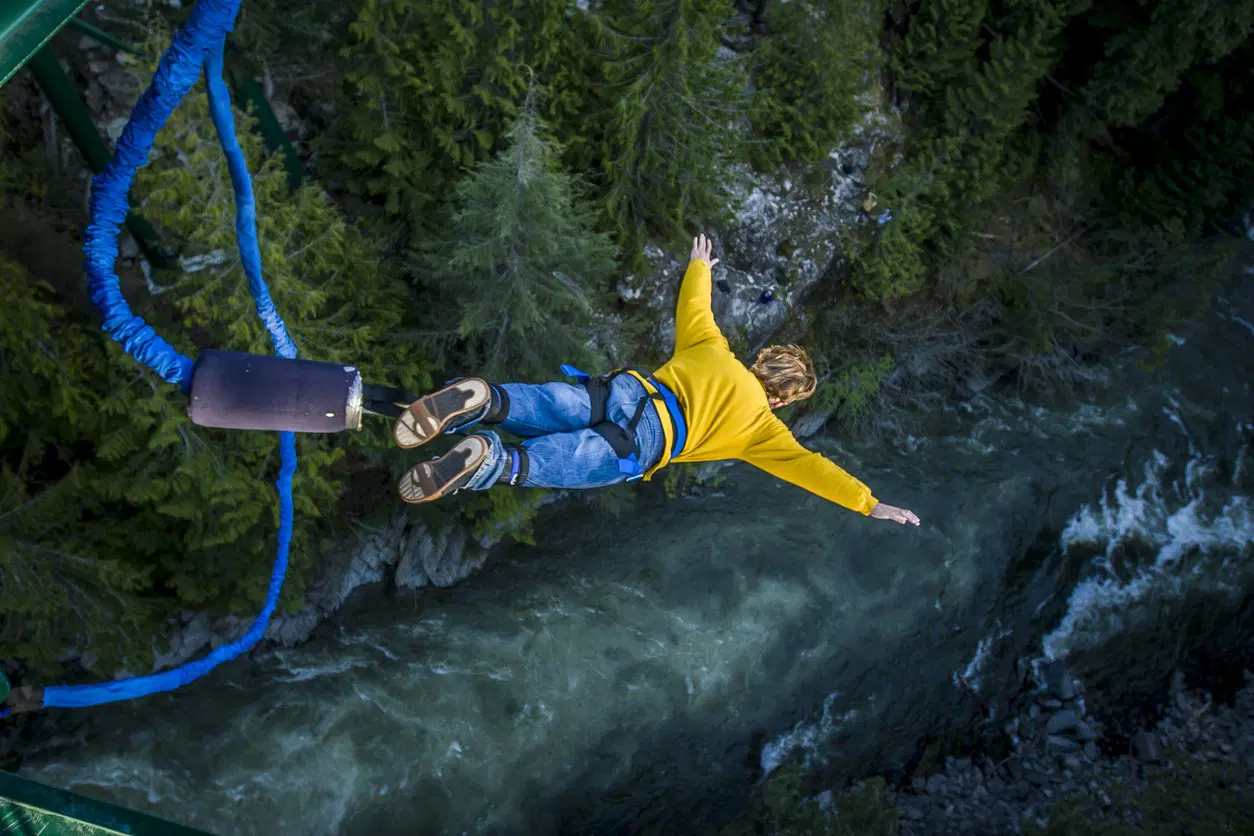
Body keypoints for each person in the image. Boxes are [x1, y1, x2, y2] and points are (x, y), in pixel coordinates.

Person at [392, 234, 921, 527]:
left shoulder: (712, 348)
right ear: (781, 398)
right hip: (647, 441)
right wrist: (869, 503)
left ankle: (486, 399)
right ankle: (490, 458)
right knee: (551, 463)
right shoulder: (763, 430)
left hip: (627, 391)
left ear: (761, 361)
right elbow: (812, 470)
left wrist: (700, 265)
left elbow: (695, 305)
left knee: (555, 404)